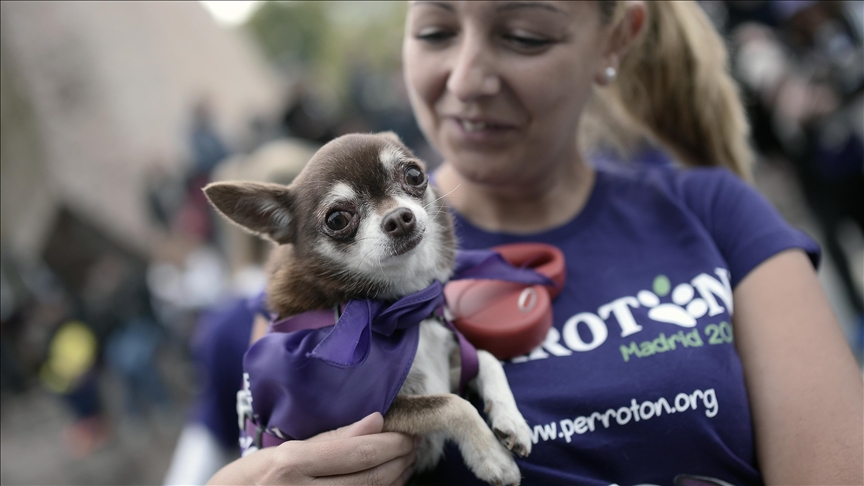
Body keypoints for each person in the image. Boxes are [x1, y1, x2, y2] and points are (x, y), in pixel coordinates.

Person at [207, 2, 863, 485]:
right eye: (435, 31)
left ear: (615, 39)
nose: (466, 78)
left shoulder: (713, 212)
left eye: (523, 35)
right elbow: (278, 449)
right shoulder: (325, 291)